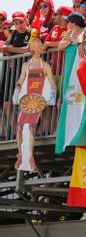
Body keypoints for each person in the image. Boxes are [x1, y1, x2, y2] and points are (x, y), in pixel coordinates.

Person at [13, 33, 56, 171]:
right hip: (27, 99)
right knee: (19, 126)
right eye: (34, 47)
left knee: (31, 127)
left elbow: (53, 83)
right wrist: (16, 91)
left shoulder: (45, 66)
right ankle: (20, 154)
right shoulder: (26, 65)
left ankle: (30, 156)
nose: (36, 50)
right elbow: (20, 80)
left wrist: (52, 96)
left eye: (38, 47)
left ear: (41, 49)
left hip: (38, 100)